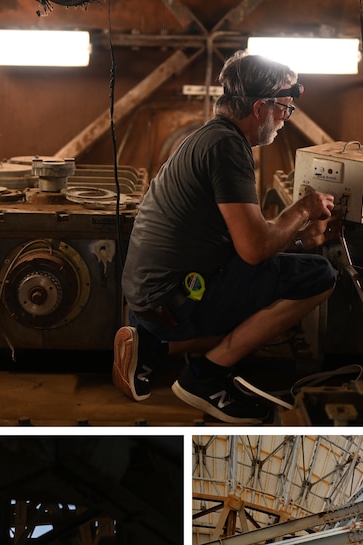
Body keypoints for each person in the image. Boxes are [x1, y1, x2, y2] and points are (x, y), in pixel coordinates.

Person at [112, 50, 340, 424]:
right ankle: (204, 378)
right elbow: (253, 250)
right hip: (180, 297)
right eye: (285, 109)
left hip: (151, 298)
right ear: (259, 108)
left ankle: (151, 345)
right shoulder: (228, 147)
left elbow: (239, 243)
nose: (285, 119)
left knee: (276, 276)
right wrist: (302, 209)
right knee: (319, 278)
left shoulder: (206, 137)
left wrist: (299, 241)